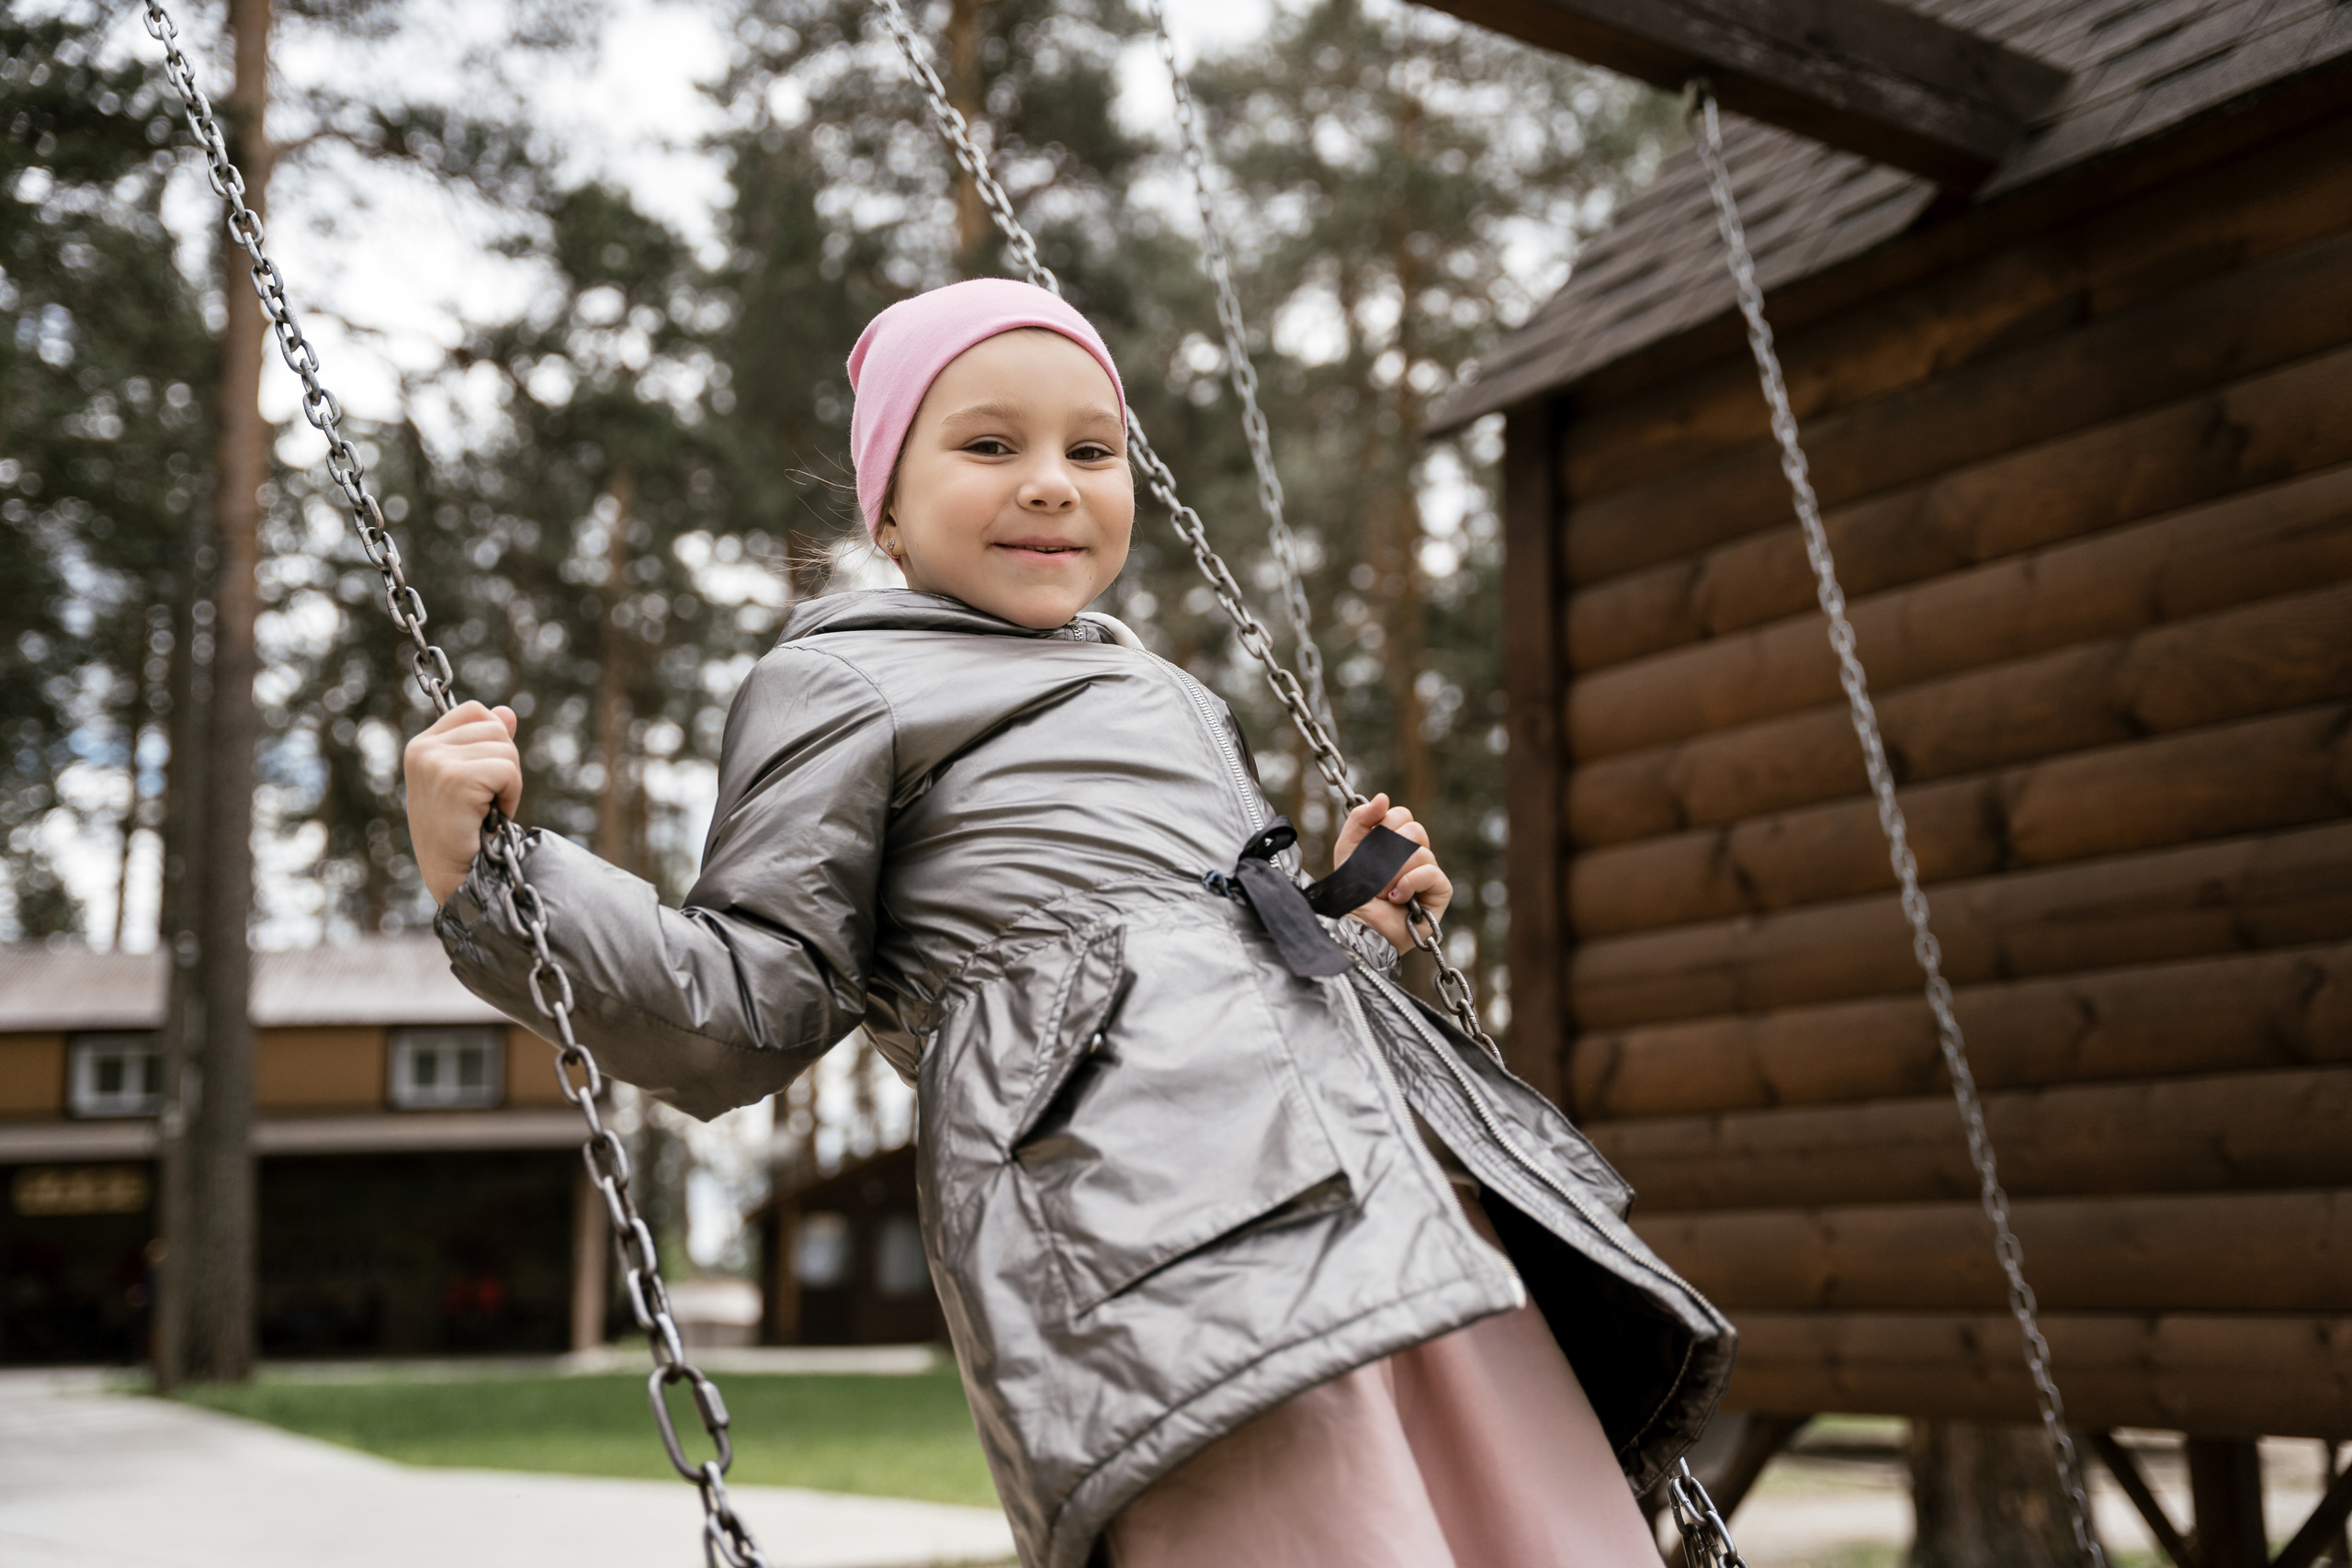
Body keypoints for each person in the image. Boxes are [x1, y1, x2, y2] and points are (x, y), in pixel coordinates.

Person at [405, 276, 1731, 1568]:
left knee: (1501, 1482)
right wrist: (502, 882)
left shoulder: (1167, 693)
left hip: (1379, 1172)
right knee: (1314, 1502)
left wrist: (1356, 926)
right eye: (990, 444)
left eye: (1091, 451)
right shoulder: (844, 675)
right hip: (1137, 1188)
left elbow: (1219, 948)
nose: (1052, 481)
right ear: (888, 517)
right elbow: (749, 1000)